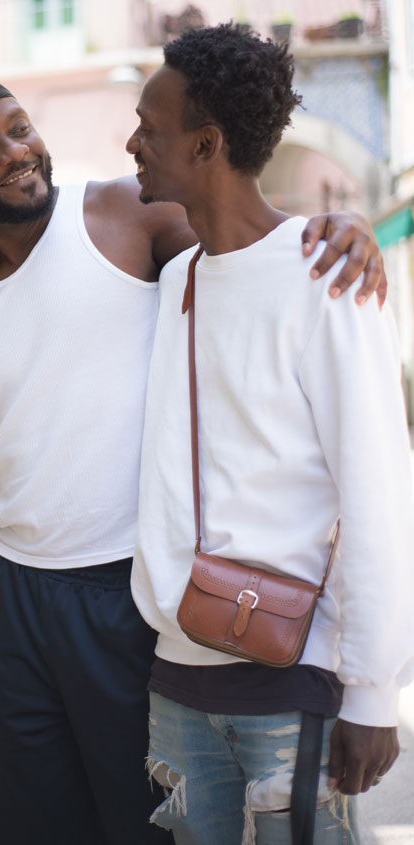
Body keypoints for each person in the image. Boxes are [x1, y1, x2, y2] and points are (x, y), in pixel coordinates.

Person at [0, 74, 387, 844]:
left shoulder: (125, 214)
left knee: (143, 821)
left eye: (20, 129)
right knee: (32, 823)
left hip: (134, 590)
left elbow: (247, 245)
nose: (17, 153)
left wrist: (339, 226)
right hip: (18, 603)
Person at [127, 24, 414, 844]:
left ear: (207, 143)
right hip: (177, 681)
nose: (132, 142)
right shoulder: (177, 276)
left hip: (295, 682)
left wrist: (370, 692)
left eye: (150, 126)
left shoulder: (328, 277)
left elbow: (378, 489)